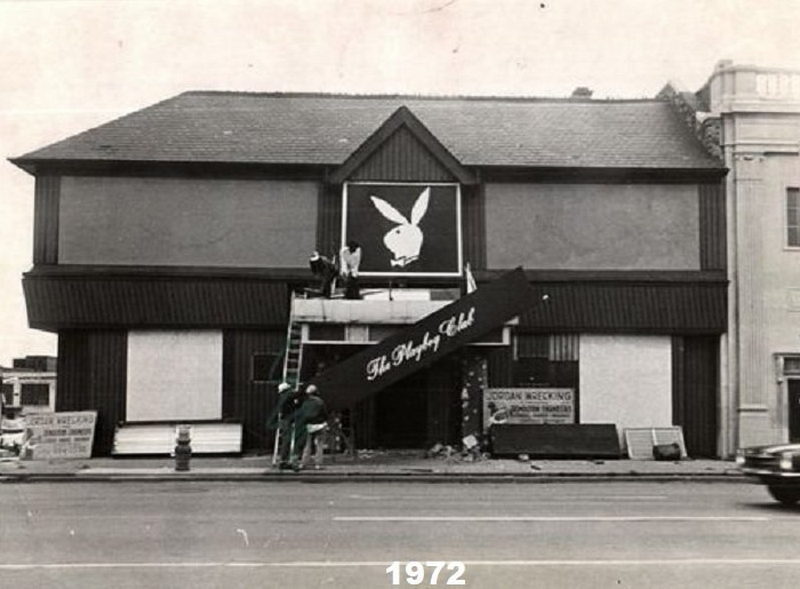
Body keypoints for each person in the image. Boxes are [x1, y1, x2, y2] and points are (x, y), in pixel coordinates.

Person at [290, 384, 329, 471]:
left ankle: (303, 464)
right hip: (320, 425)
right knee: (319, 445)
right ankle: (318, 465)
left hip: (308, 426)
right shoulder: (320, 402)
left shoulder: (305, 402)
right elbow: (325, 413)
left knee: (307, 446)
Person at [266, 382, 300, 469]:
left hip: (284, 419)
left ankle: (283, 460)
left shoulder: (283, 397)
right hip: (288, 420)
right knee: (287, 440)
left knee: (286, 439)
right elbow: (297, 395)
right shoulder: (287, 395)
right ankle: (284, 460)